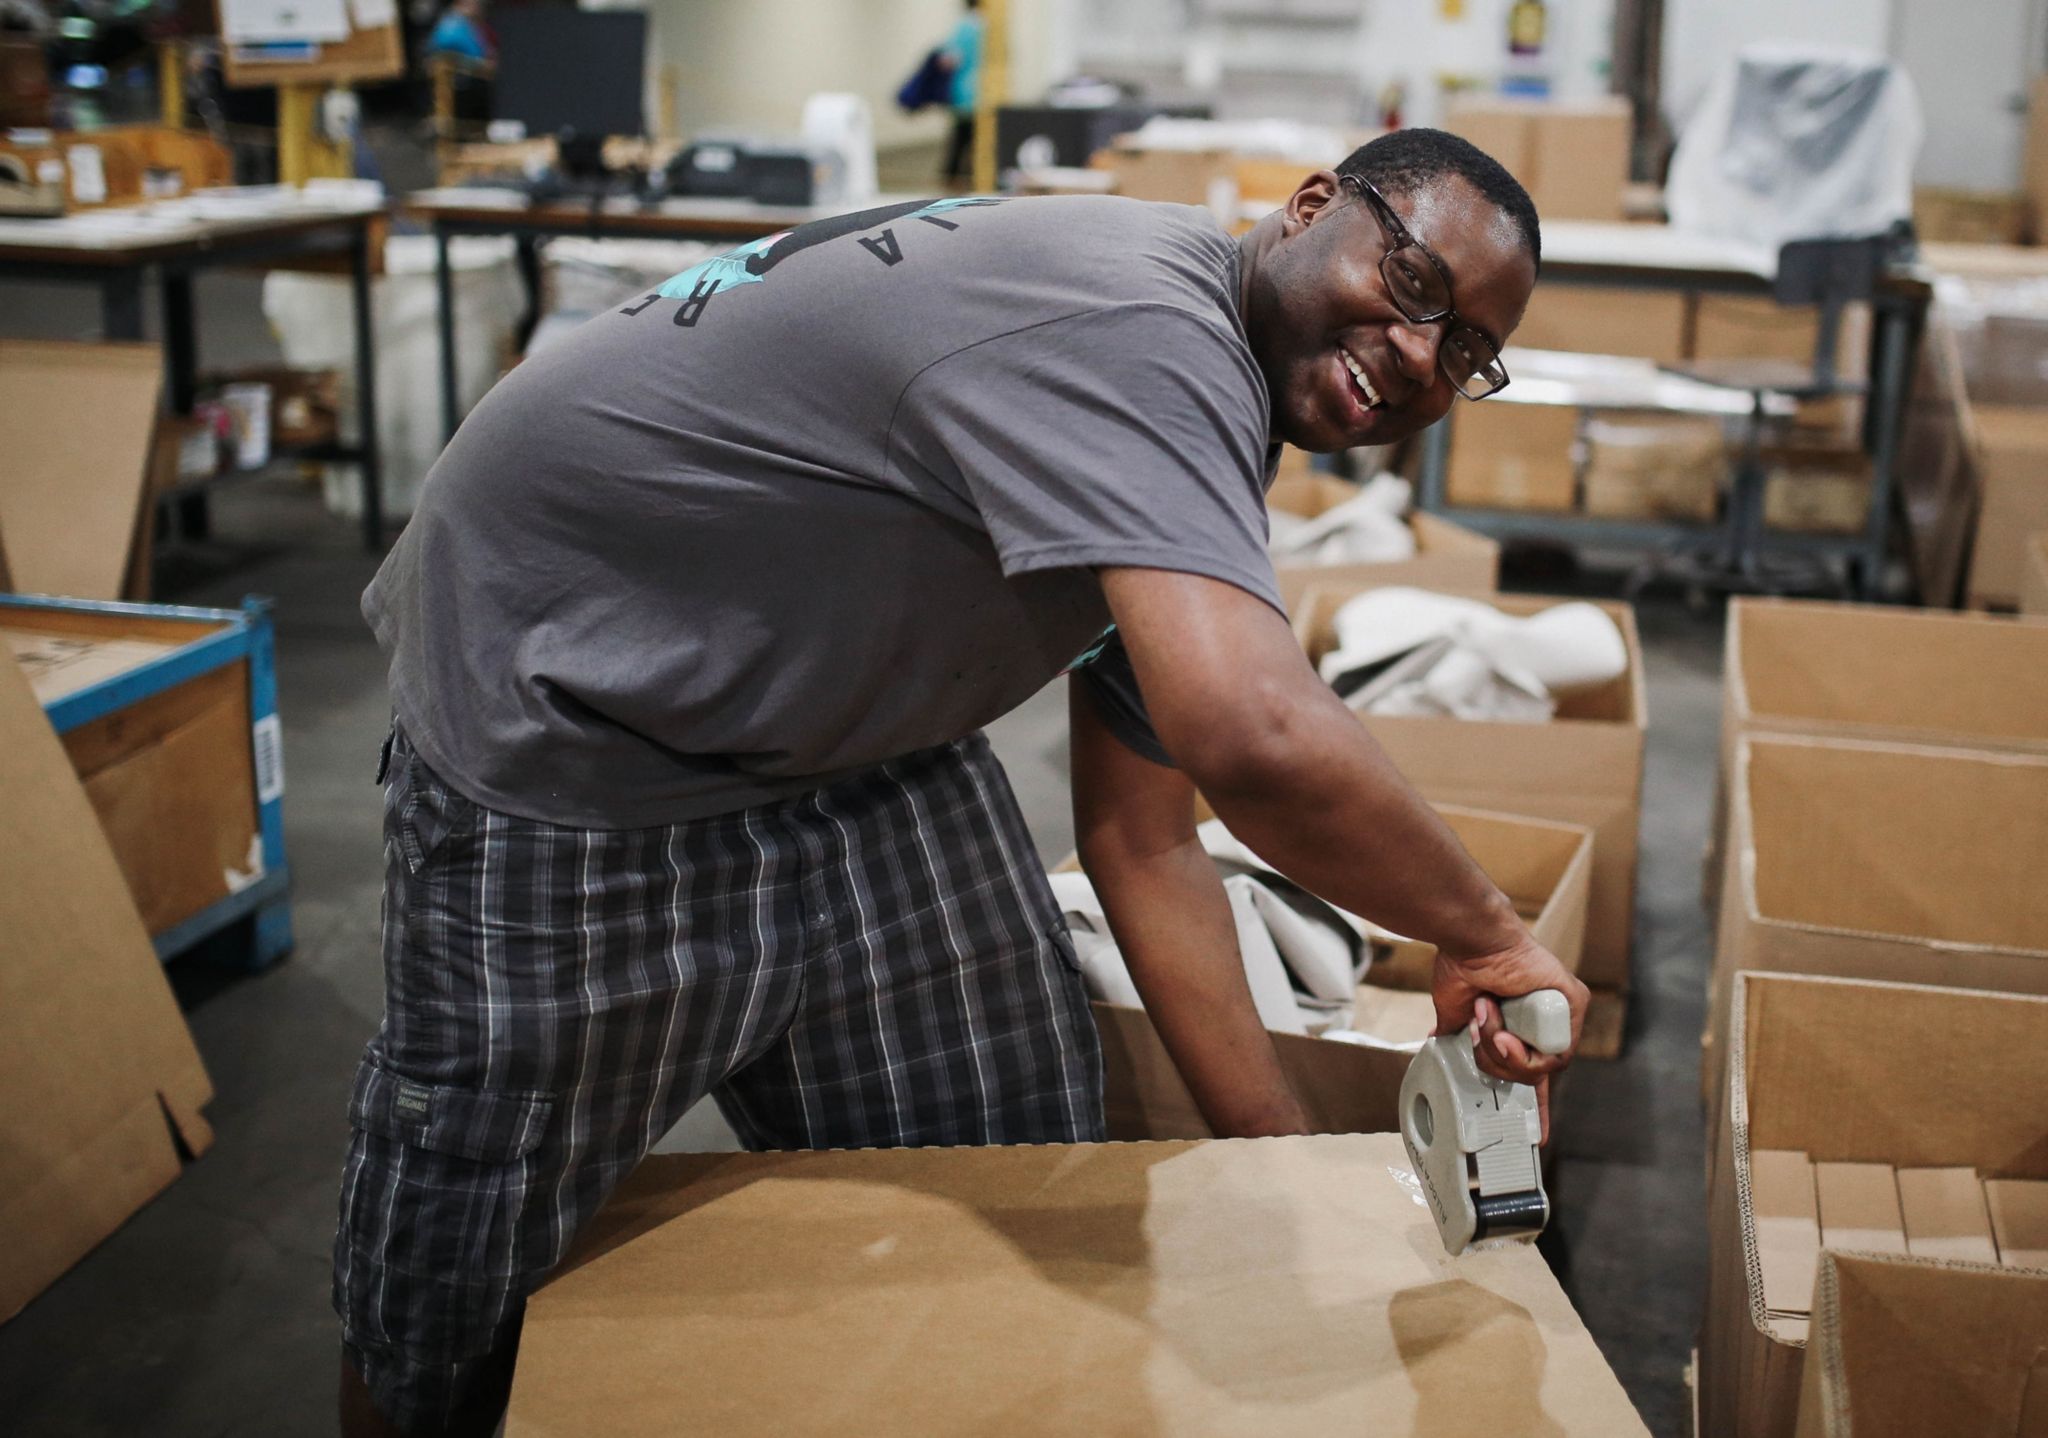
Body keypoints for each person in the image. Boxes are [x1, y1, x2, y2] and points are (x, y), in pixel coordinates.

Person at [337, 127, 1580, 1436]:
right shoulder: (1145, 329)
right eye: (1417, 285)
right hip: (581, 704)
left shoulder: (1202, 424)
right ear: (1311, 205)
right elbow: (1252, 730)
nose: (1421, 355)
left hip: (838, 727)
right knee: (457, 1276)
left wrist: (1295, 1185)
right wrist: (1489, 934)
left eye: (1468, 352)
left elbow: (1145, 835)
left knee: (1014, 1137)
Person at [938, 0, 983, 185]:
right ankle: (972, 175)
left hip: (965, 92)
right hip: (985, 92)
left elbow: (949, 60)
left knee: (961, 136)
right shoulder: (992, 27)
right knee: (977, 138)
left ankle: (952, 175)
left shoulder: (965, 28)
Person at [423, 0, 491, 64]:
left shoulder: (468, 24)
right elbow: (441, 49)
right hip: (461, 72)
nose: (478, 7)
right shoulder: (453, 24)